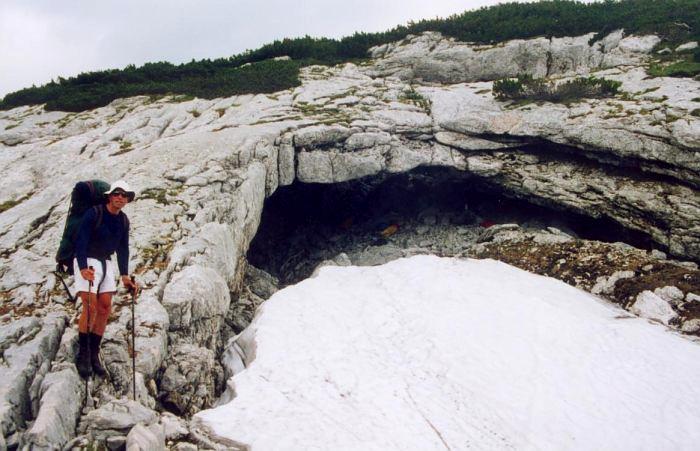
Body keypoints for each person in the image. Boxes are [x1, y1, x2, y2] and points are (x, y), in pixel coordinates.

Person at [74, 180, 138, 378]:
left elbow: (123, 248)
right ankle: (83, 354)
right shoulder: (94, 213)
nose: (120, 197)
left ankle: (94, 354)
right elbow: (80, 241)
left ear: (127, 200)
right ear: (109, 196)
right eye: (117, 193)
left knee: (105, 307)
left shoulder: (123, 220)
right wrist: (83, 268)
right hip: (87, 260)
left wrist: (125, 275)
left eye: (124, 195)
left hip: (106, 262)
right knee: (90, 306)